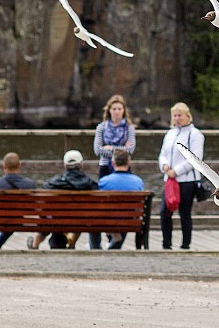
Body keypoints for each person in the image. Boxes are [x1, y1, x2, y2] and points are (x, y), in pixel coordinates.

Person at [89, 94, 137, 249]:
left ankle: (118, 233)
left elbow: (130, 150)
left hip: (123, 168)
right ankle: (110, 234)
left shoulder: (129, 128)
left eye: (119, 109)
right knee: (105, 202)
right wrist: (120, 150)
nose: (117, 112)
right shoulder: (101, 127)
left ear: (124, 110)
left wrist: (111, 149)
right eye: (114, 109)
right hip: (105, 167)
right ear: (109, 110)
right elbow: (97, 150)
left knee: (122, 201)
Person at [157, 102, 204, 250]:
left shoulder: (195, 134)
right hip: (170, 180)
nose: (177, 118)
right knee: (165, 211)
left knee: (184, 213)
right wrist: (164, 165)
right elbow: (163, 154)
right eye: (175, 116)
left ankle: (185, 244)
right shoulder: (170, 133)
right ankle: (166, 244)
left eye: (180, 115)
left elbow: (195, 158)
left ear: (187, 116)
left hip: (186, 180)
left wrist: (176, 171)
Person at [30, 149, 97, 250]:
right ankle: (71, 244)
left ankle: (34, 245)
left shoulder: (53, 183)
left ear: (65, 166)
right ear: (82, 165)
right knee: (80, 216)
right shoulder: (90, 184)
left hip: (57, 219)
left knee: (48, 218)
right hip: (80, 220)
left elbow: (42, 195)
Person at [97, 148, 145, 249]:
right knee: (125, 214)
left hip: (108, 219)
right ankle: (114, 246)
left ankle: (95, 247)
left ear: (113, 163)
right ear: (129, 163)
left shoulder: (104, 181)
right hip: (131, 220)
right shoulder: (138, 182)